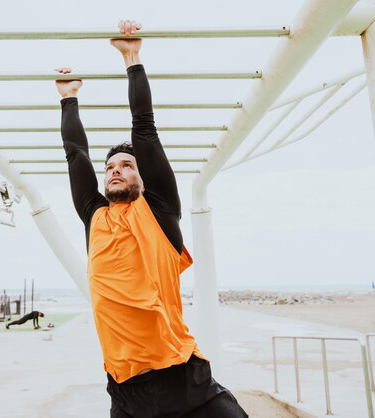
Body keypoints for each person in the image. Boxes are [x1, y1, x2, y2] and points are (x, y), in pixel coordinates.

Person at [55, 19, 248, 418]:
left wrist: (132, 58)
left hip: (186, 376)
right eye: (110, 166)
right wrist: (68, 99)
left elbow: (145, 130)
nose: (115, 169)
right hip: (127, 390)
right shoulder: (94, 217)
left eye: (127, 165)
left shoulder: (159, 212)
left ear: (143, 177)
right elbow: (76, 154)